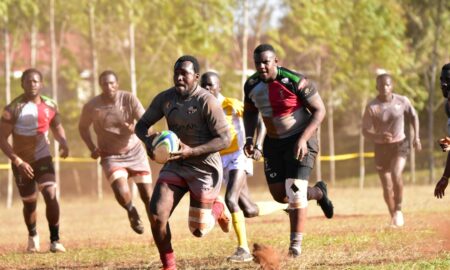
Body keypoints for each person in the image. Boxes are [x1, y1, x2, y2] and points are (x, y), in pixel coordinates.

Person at [135, 55, 231, 270]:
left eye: (184, 74)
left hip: (205, 168)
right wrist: (149, 142)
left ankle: (218, 208)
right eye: (176, 73)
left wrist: (192, 152)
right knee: (156, 215)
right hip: (176, 165)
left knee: (199, 230)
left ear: (195, 77)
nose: (179, 78)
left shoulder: (207, 101)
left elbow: (225, 139)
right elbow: (140, 126)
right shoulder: (165, 99)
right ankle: (169, 266)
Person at [243, 44, 334, 258]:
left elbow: (320, 110)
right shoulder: (251, 85)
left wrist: (302, 139)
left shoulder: (295, 81)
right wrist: (249, 138)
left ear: (276, 61)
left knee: (294, 192)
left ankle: (295, 248)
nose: (262, 67)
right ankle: (319, 192)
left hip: (301, 139)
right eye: (258, 63)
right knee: (280, 195)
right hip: (273, 144)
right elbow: (249, 113)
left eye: (266, 62)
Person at [200, 72, 286, 263]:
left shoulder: (231, 104)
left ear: (218, 87)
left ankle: (243, 249)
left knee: (231, 199)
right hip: (219, 160)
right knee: (249, 209)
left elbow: (259, 120)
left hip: (239, 155)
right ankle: (286, 205)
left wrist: (258, 145)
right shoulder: (202, 109)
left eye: (210, 85)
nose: (206, 88)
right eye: (203, 85)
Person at [0, 68, 68, 253]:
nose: (32, 84)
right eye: (28, 81)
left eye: (36, 81)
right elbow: (1, 137)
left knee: (51, 195)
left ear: (41, 83)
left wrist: (63, 142)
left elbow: (57, 127)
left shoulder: (50, 105)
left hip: (43, 157)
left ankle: (55, 240)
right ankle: (33, 236)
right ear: (22, 84)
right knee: (29, 203)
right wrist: (17, 161)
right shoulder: (12, 108)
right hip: (21, 163)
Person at [78, 70, 153, 234]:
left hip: (135, 151)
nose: (109, 86)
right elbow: (83, 128)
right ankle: (131, 210)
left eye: (112, 83)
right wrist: (92, 148)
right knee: (121, 191)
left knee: (148, 196)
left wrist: (136, 128)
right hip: (110, 154)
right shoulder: (92, 106)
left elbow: (147, 122)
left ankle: (157, 228)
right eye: (105, 83)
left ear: (117, 84)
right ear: (100, 86)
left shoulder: (128, 98)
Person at [362, 73, 422, 226]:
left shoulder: (402, 101)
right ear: (377, 87)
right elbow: (365, 131)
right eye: (381, 85)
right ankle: (393, 215)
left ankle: (399, 209)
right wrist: (379, 136)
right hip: (381, 148)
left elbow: (414, 116)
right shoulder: (372, 107)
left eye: (387, 84)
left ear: (392, 86)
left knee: (396, 174)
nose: (385, 88)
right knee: (387, 185)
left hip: (399, 144)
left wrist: (416, 137)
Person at [435, 63, 450, 198]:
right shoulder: (448, 106)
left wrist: (445, 177)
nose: (443, 84)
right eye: (442, 80)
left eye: (448, 80)